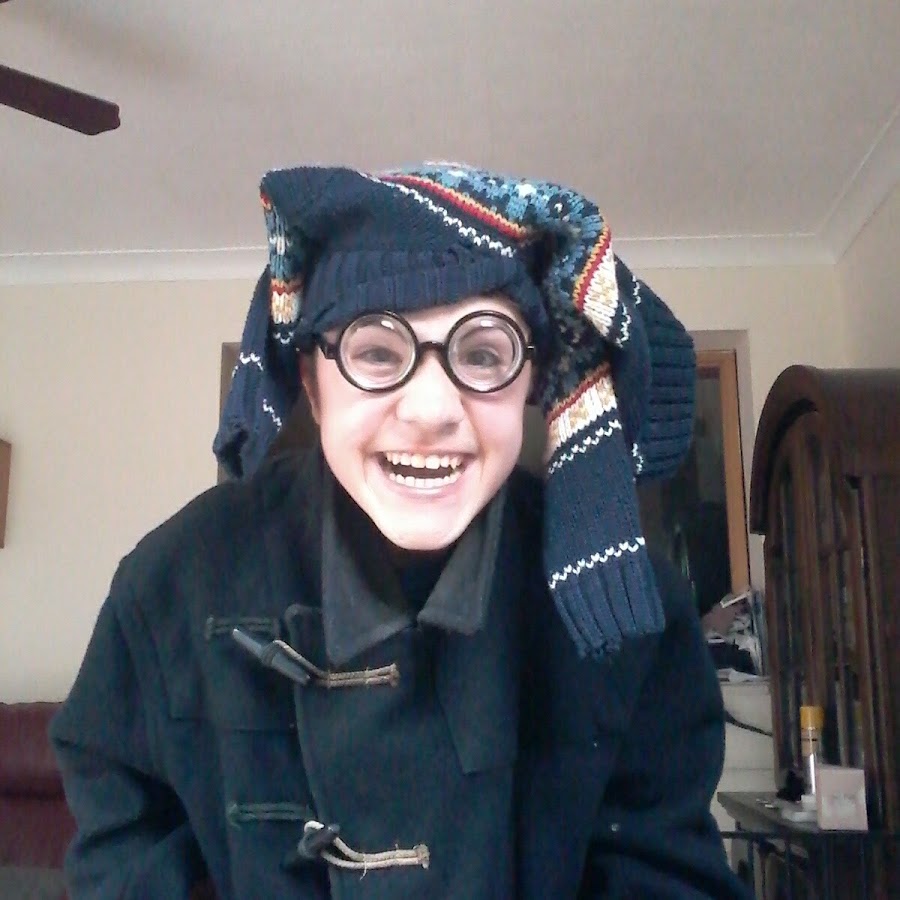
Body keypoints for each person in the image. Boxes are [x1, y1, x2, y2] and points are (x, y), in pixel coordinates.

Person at [50, 163, 751, 899]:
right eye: (377, 352)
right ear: (313, 385)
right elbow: (121, 852)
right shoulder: (171, 583)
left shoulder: (638, 618)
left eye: (483, 354)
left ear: (530, 384)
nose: (430, 410)